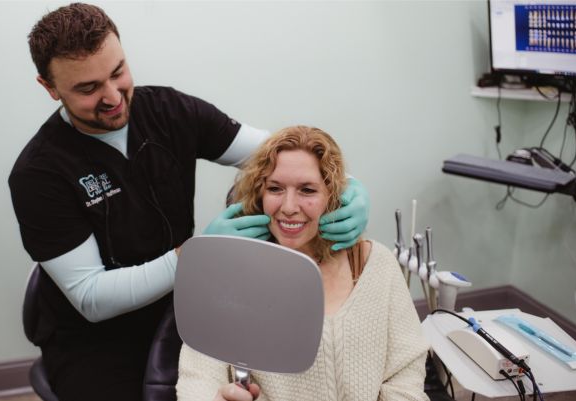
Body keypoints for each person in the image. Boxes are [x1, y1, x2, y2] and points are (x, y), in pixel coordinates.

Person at [8, 4, 370, 401]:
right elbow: (92, 299)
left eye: (118, 72)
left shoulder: (170, 112)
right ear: (49, 87)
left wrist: (349, 187)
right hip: (95, 340)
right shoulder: (38, 174)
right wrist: (194, 256)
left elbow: (279, 154)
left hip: (190, 304)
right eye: (88, 88)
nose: (113, 97)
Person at [176, 126, 429, 401]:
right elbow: (198, 378)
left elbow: (406, 372)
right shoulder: (231, 276)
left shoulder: (373, 265)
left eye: (307, 190)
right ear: (259, 193)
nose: (288, 206)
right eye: (275, 188)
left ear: (333, 196)